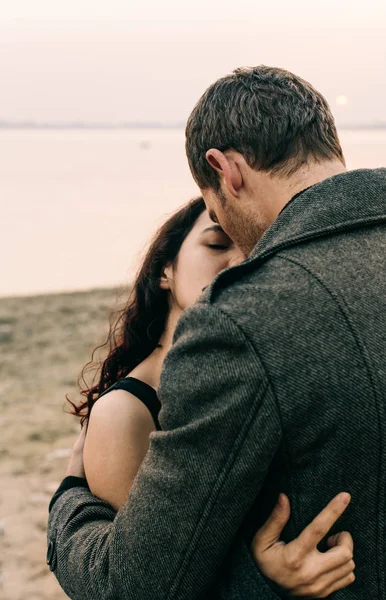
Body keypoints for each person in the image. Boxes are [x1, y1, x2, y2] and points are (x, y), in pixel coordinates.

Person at [47, 65, 386, 599]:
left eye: (213, 211)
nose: (237, 250)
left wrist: (69, 499)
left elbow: (140, 587)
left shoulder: (244, 319)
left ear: (225, 171)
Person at [51, 196, 354, 598]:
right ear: (165, 269)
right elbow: (148, 582)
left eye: (254, 251)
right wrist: (268, 578)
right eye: (216, 245)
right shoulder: (125, 412)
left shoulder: (249, 380)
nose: (240, 262)